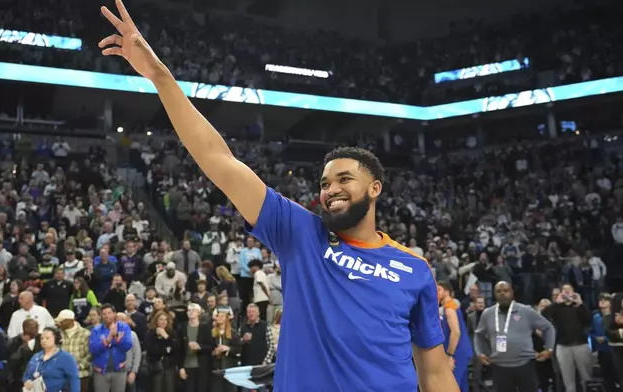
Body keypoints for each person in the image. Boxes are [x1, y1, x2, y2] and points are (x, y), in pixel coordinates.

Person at [97, 2, 458, 389]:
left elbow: (434, 372)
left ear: (374, 188)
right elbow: (219, 160)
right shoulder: (302, 234)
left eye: (344, 179)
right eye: (324, 183)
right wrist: (160, 76)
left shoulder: (414, 269)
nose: (331, 189)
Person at [474, 281, 555, 392]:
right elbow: (478, 335)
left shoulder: (526, 311)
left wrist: (549, 348)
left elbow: (548, 327)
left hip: (525, 365)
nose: (502, 293)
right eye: (499, 291)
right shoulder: (487, 313)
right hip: (499, 367)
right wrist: (480, 353)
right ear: (494, 294)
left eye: (506, 290)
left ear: (512, 293)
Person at [542, 284, 593, 392]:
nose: (567, 292)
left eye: (569, 290)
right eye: (564, 290)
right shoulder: (556, 308)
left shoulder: (579, 306)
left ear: (574, 292)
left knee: (587, 379)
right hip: (563, 346)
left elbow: (588, 321)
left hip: (581, 345)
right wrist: (556, 303)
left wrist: (580, 304)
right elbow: (543, 315)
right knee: (568, 382)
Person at [437, 281, 473, 392]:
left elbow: (456, 332)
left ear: (447, 292)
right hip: (460, 350)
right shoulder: (449, 307)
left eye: (438, 290)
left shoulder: (449, 308)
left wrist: (449, 355)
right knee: (461, 385)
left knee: (452, 386)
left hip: (457, 352)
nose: (435, 292)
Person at [89, 304, 133, 392]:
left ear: (114, 314)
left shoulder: (124, 327)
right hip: (100, 371)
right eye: (104, 314)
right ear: (101, 316)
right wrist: (108, 339)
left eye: (109, 313)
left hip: (119, 370)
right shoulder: (96, 330)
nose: (107, 316)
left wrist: (118, 341)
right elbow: (93, 349)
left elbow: (128, 345)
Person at [22, 327, 80, 392]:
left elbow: (74, 380)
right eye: (42, 338)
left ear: (56, 339)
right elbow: (26, 375)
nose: (44, 340)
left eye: (47, 338)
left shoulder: (67, 358)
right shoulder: (36, 356)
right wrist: (27, 381)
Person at [145, 310, 184, 392]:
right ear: (156, 321)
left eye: (165, 319)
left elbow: (177, 348)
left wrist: (166, 336)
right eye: (161, 319)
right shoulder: (150, 334)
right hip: (156, 366)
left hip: (170, 366)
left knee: (170, 388)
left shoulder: (172, 333)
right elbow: (152, 350)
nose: (163, 322)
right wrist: (167, 349)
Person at [56, 310, 92, 392]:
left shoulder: (85, 334)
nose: (59, 324)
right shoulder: (58, 334)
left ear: (71, 321)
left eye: (62, 322)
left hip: (81, 375)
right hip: (62, 375)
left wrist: (78, 366)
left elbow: (90, 354)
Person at [181, 303, 213, 392]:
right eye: (189, 310)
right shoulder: (183, 327)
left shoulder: (205, 327)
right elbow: (179, 349)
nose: (191, 312)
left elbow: (211, 346)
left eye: (193, 310)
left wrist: (200, 347)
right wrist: (181, 367)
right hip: (187, 366)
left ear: (198, 313)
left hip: (202, 367)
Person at [6, 319, 42, 392]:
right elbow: (12, 361)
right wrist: (24, 346)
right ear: (25, 328)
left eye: (37, 327)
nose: (36, 329)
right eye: (34, 327)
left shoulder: (41, 339)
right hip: (18, 379)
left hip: (37, 378)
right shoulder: (15, 341)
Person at [210, 312, 241, 392]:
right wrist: (213, 352)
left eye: (222, 316)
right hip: (216, 368)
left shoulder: (233, 333)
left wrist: (228, 348)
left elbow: (239, 349)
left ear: (226, 319)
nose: (219, 318)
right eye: (218, 316)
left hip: (230, 368)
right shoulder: (212, 333)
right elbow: (207, 349)